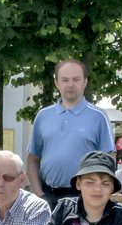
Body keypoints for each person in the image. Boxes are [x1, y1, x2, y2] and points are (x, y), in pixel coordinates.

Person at [27, 58, 116, 204]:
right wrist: (39, 195)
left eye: (76, 79)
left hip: (85, 198)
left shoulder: (98, 116)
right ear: (57, 83)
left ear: (85, 82)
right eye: (65, 80)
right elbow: (33, 159)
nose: (70, 84)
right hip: (49, 195)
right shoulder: (43, 116)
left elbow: (109, 159)